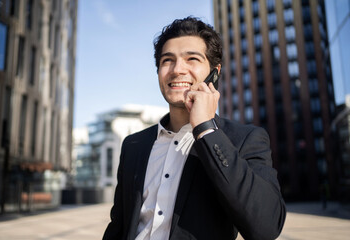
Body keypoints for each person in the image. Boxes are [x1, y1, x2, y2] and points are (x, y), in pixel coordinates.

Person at [103, 16, 286, 240]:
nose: (177, 69)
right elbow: (118, 226)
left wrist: (207, 130)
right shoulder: (133, 145)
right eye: (167, 60)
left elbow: (265, 228)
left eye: (192, 59)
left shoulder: (245, 139)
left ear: (215, 72)